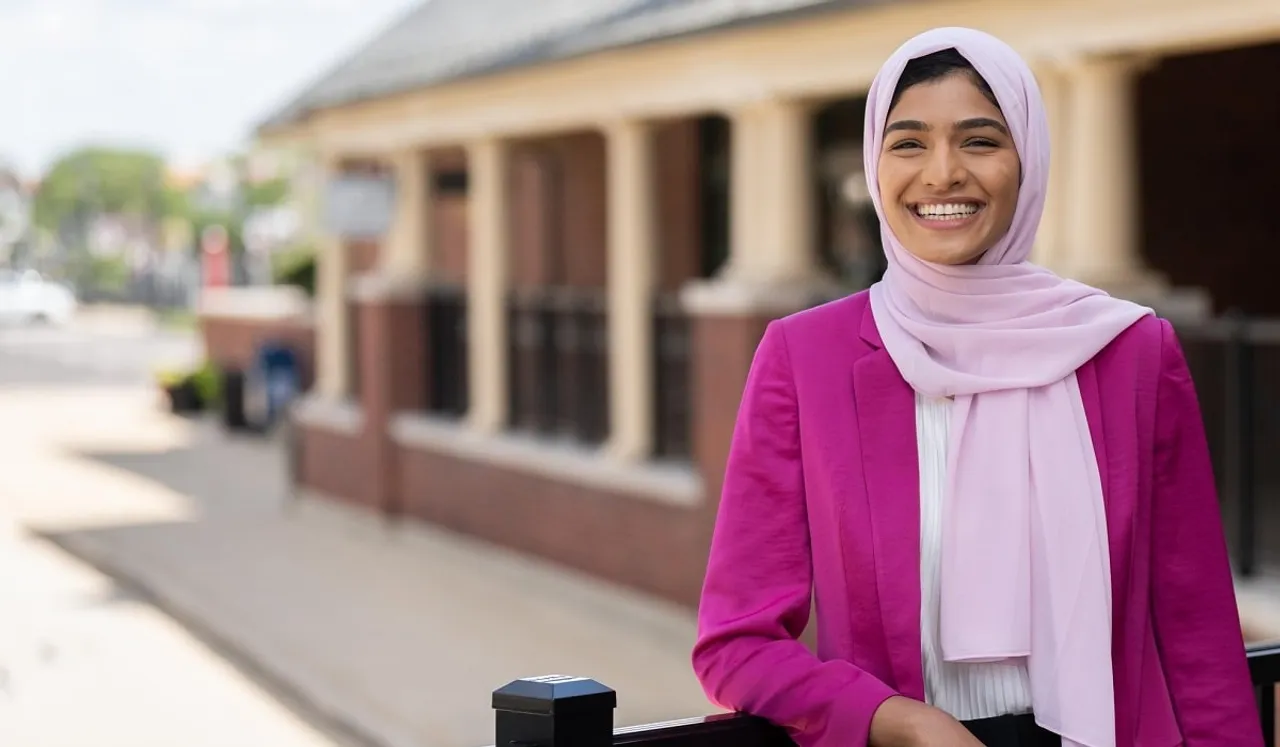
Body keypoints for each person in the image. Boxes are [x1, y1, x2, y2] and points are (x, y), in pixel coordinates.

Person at [690, 26, 1262, 747]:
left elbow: (1196, 629)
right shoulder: (807, 357)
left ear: (1029, 160)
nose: (942, 174)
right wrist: (896, 720)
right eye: (909, 143)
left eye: (980, 141)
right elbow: (735, 644)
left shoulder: (1129, 350)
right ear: (874, 163)